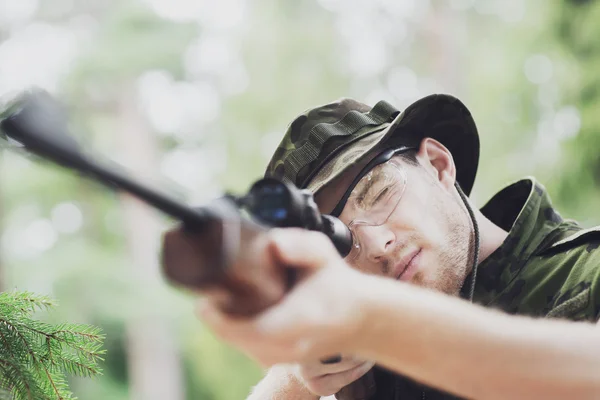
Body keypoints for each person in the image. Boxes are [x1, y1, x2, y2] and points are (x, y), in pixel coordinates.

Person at [161, 94, 600, 399]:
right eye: (338, 239)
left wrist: (378, 324)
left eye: (378, 193)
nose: (375, 243)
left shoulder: (588, 275)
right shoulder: (363, 369)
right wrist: (296, 379)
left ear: (439, 165)